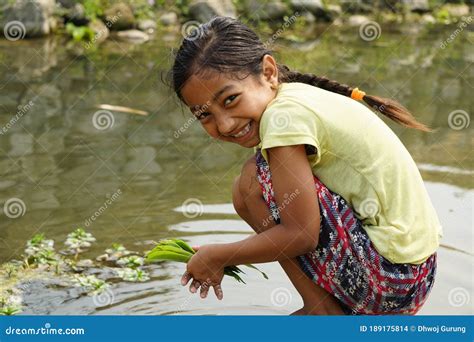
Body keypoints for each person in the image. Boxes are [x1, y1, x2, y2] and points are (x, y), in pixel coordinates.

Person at [171, 16, 442, 315]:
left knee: (252, 182)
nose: (223, 124)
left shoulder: (282, 118)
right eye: (204, 116)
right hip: (418, 274)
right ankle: (327, 309)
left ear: (268, 72)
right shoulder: (295, 96)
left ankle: (322, 313)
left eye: (231, 99)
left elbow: (301, 235)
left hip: (390, 280)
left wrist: (220, 255)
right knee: (254, 182)